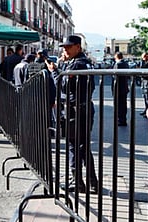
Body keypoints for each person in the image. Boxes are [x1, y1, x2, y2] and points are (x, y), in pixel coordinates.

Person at [47, 35, 98, 193]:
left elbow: (63, 85)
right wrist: (62, 65)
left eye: (68, 47)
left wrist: (55, 71)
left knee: (73, 146)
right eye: (64, 47)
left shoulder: (77, 65)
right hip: (80, 108)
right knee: (82, 146)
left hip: (75, 110)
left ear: (78, 47)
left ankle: (79, 182)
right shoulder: (83, 63)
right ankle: (91, 182)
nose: (65, 50)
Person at [112, 52, 129, 126]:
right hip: (124, 87)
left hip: (118, 88)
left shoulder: (117, 64)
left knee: (118, 104)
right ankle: (123, 119)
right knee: (123, 104)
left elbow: (115, 76)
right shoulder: (125, 64)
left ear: (116, 57)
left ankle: (120, 119)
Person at [139, 52, 148, 117]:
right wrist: (142, 60)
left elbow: (145, 70)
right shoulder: (143, 62)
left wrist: (143, 60)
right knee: (145, 97)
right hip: (144, 82)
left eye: (144, 56)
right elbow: (141, 69)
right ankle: (146, 109)